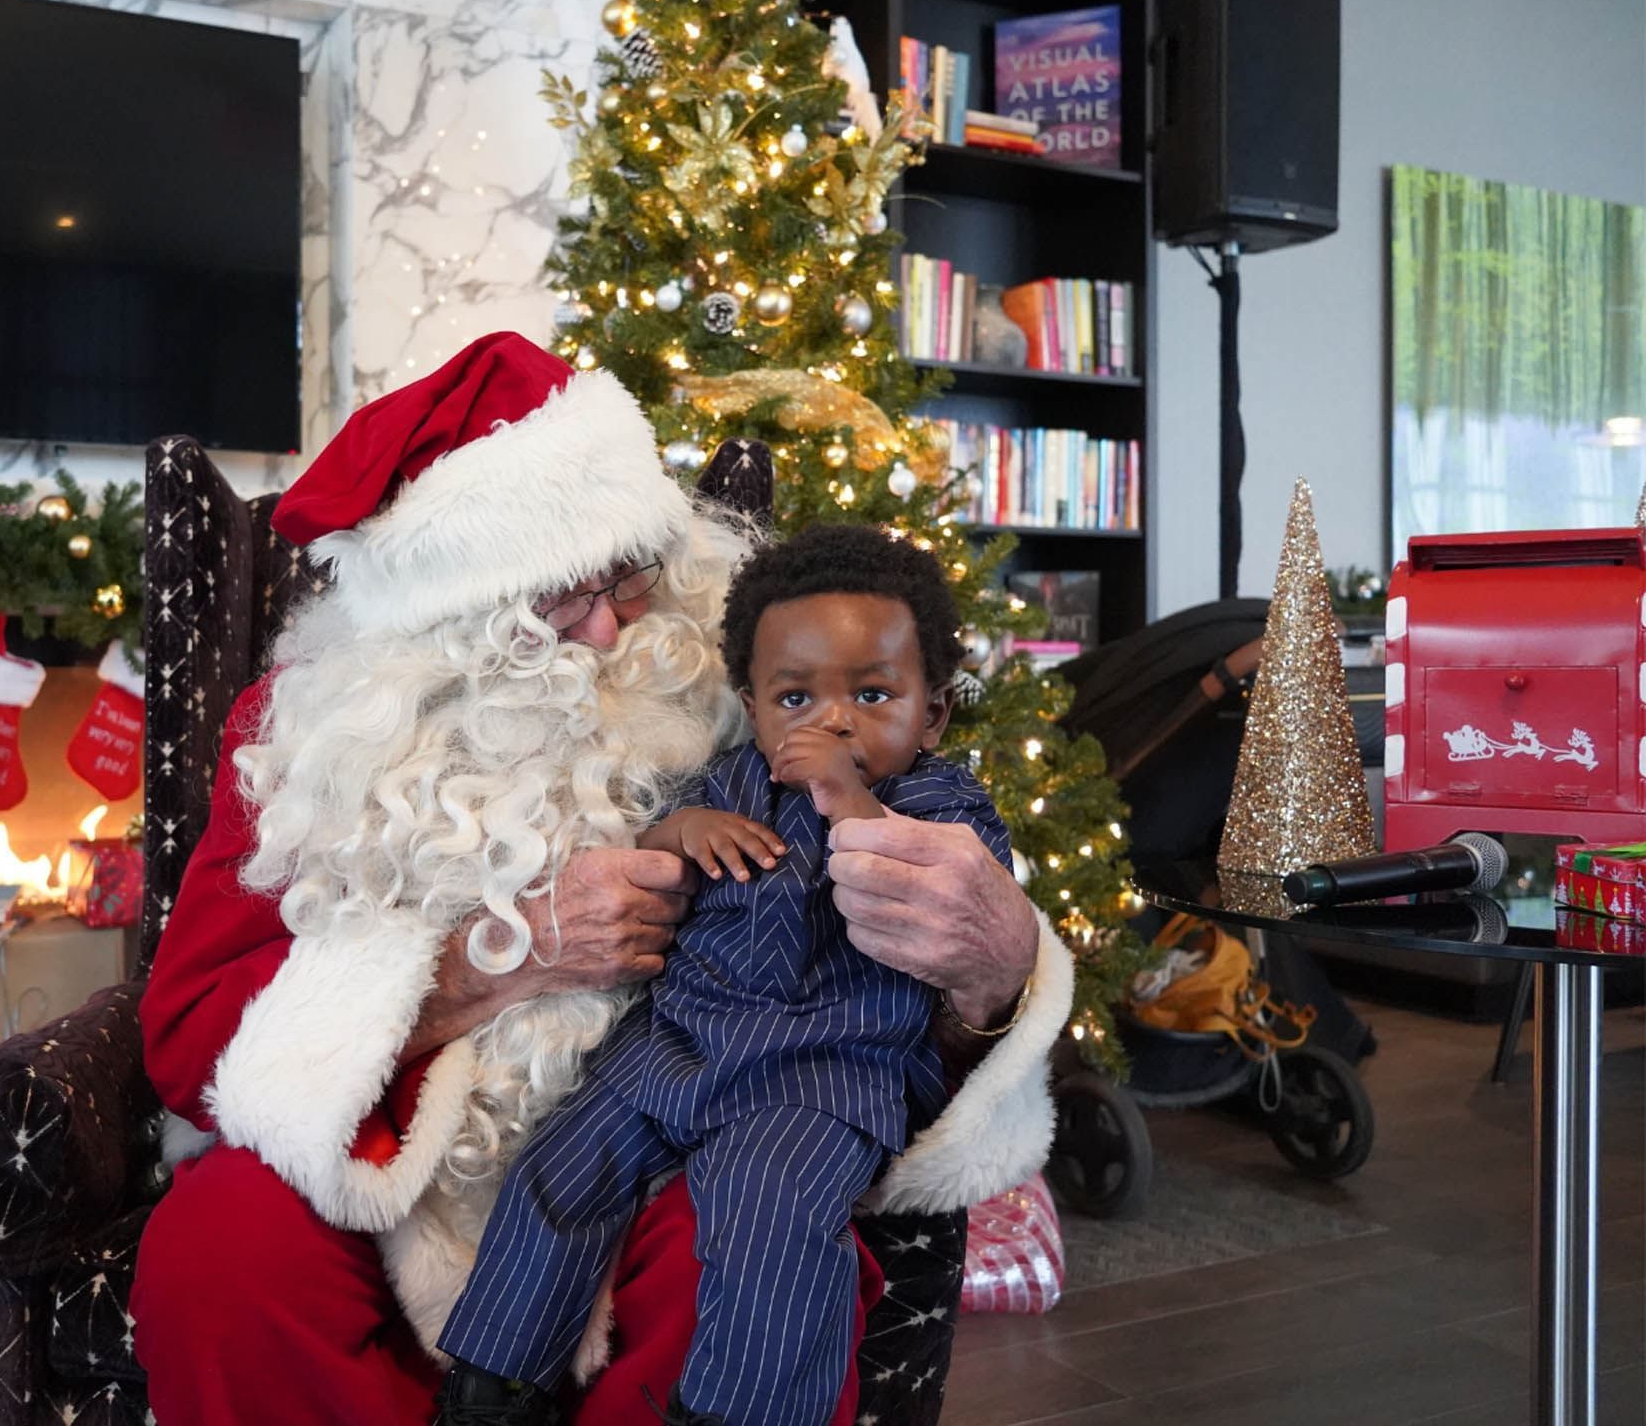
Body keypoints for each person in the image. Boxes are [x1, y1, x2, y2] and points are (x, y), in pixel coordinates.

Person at [129, 332, 1074, 1425]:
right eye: (555, 603)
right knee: (218, 1257)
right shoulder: (314, 734)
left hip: (692, 1120)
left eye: (629, 575)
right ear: (441, 620)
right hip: (402, 1164)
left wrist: (995, 962)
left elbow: (914, 866)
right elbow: (189, 1035)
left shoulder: (751, 671)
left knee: (753, 1261)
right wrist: (499, 959)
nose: (614, 626)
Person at [436, 526, 1017, 1426]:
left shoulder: (938, 803)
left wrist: (845, 794)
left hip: (823, 1072)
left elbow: (919, 887)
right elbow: (651, 843)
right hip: (678, 1041)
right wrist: (682, 831)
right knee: (561, 1167)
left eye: (871, 694)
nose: (832, 722)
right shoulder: (733, 779)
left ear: (933, 712)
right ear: (753, 706)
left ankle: (738, 1410)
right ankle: (496, 1383)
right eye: (796, 697)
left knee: (769, 1209)